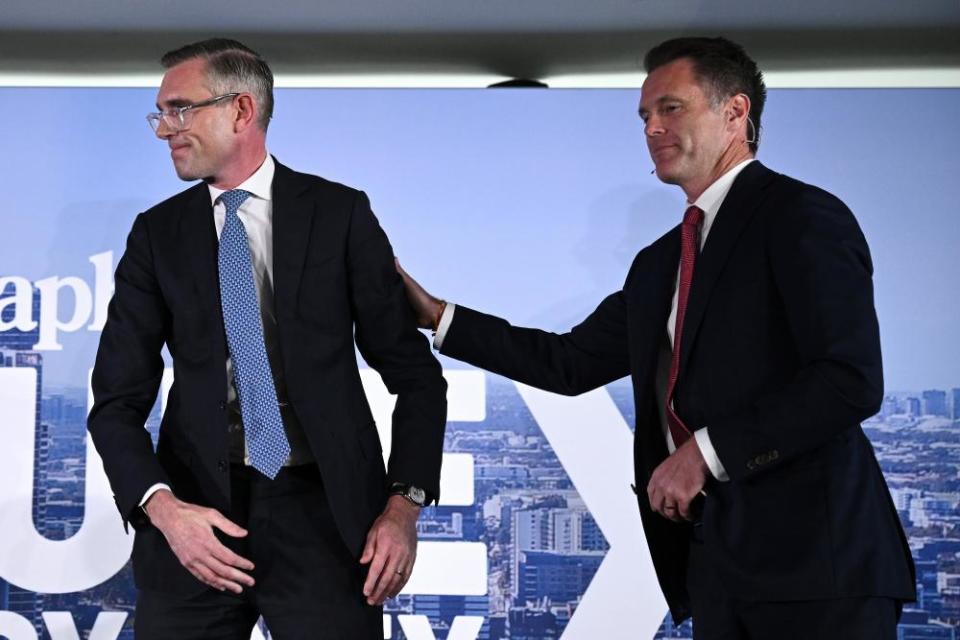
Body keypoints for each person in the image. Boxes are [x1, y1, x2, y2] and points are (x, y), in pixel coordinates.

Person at [397, 36, 915, 639]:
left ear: (736, 112)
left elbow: (848, 379)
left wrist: (704, 452)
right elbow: (569, 362)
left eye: (671, 108)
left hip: (821, 571)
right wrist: (438, 315)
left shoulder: (802, 216)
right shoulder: (660, 262)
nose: (652, 128)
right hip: (717, 569)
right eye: (645, 115)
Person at [87, 38, 447, 639]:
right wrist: (164, 511)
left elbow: (416, 378)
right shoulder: (157, 235)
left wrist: (403, 507)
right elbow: (116, 403)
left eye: (180, 110)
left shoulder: (340, 215)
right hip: (196, 524)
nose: (163, 129)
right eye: (161, 113)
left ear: (241, 110)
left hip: (327, 522)